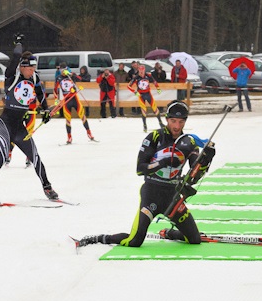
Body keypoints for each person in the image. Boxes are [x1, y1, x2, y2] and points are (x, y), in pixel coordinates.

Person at [75, 101, 216, 248]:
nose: (176, 126)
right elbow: (140, 168)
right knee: (135, 241)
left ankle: (169, 233)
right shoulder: (155, 137)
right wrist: (164, 162)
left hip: (172, 197)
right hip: (151, 195)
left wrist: (206, 159)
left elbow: (194, 175)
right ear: (167, 119)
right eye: (173, 121)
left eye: (181, 122)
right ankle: (99, 238)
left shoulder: (190, 142)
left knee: (194, 239)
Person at [0, 40, 58, 204]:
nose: (32, 71)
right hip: (6, 124)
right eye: (29, 68)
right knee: (0, 159)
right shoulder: (12, 75)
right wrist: (19, 45)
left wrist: (46, 110)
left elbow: (40, 94)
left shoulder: (34, 77)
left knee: (35, 157)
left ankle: (47, 187)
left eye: (34, 68)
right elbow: (15, 56)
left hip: (19, 127)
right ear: (22, 66)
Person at [55, 67, 94, 144]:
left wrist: (74, 75)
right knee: (68, 119)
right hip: (66, 99)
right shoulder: (58, 78)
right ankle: (69, 137)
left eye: (65, 70)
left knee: (82, 115)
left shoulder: (71, 76)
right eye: (62, 70)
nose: (63, 72)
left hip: (74, 98)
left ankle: (89, 133)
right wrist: (56, 100)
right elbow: (55, 89)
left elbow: (80, 79)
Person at [128, 61, 160, 130]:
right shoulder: (136, 77)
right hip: (141, 95)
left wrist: (158, 88)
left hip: (148, 94)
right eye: (140, 70)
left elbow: (154, 81)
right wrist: (135, 92)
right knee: (143, 110)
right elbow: (128, 86)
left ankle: (160, 122)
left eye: (143, 70)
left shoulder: (148, 75)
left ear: (144, 70)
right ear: (138, 70)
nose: (141, 72)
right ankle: (144, 125)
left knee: (155, 108)